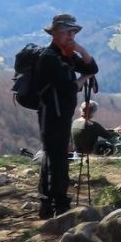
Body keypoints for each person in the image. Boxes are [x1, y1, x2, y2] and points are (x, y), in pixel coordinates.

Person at [34, 13, 98, 219]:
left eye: (73, 32)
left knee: (53, 156)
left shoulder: (66, 54)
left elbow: (92, 67)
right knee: (58, 158)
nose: (71, 35)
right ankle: (59, 204)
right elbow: (69, 88)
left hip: (60, 113)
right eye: (66, 31)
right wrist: (84, 79)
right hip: (52, 114)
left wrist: (80, 50)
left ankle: (47, 203)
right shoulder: (49, 58)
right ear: (54, 33)